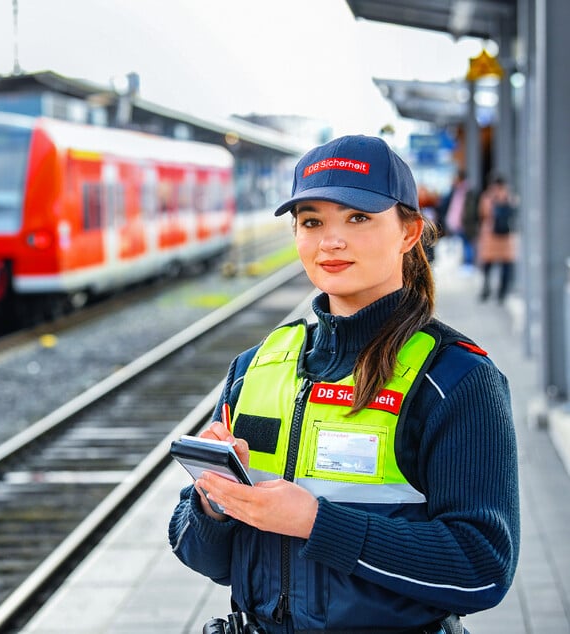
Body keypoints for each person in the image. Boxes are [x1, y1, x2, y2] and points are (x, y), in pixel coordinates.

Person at [168, 135, 519, 633]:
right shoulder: (256, 367)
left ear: (409, 231)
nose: (331, 240)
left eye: (358, 218)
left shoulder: (456, 380)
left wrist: (317, 523)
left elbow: (483, 567)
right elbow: (205, 557)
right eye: (312, 221)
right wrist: (214, 503)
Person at [476, 172, 518, 303]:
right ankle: (502, 292)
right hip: (506, 236)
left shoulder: (488, 197)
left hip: (490, 234)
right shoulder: (510, 197)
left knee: (488, 264)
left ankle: (486, 288)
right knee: (506, 265)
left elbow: (482, 213)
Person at [437, 168, 478, 269]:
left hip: (464, 224)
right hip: (455, 224)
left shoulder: (468, 191)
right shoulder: (455, 190)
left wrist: (465, 221)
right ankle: (461, 266)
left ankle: (468, 266)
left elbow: (470, 210)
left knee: (466, 245)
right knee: (458, 245)